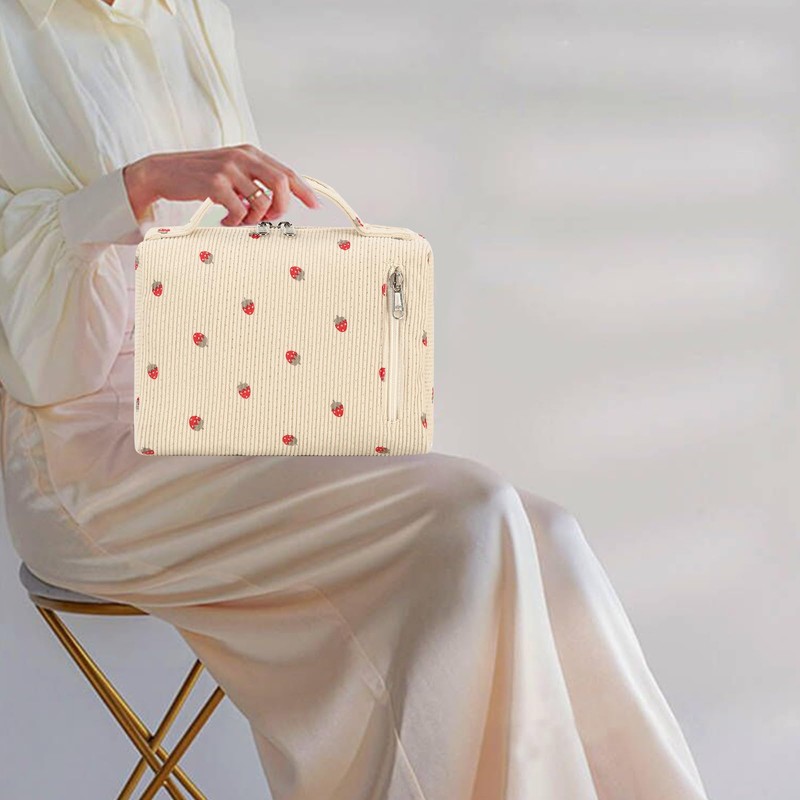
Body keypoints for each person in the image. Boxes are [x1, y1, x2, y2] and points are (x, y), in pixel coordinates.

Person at [0, 1, 712, 798]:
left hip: (216, 402)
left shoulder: (190, 13)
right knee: (470, 515)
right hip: (83, 458)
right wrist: (138, 186)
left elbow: (227, 239)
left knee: (547, 534)